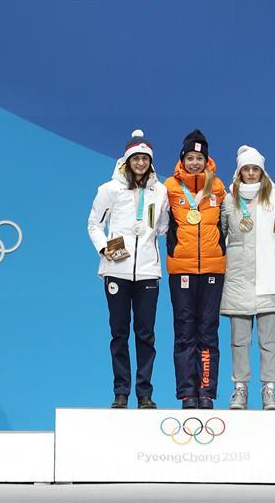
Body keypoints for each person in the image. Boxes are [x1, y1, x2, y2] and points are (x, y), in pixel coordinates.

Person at [87, 129, 169, 409]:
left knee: (146, 335)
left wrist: (150, 234)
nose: (141, 163)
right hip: (116, 271)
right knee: (119, 333)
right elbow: (93, 224)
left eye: (145, 159)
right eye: (136, 158)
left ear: (150, 162)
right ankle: (121, 392)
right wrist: (103, 247)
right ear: (126, 160)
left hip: (148, 272)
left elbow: (162, 226)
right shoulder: (108, 190)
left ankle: (144, 393)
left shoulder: (160, 191)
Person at [220, 145, 275, 411]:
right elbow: (219, 235)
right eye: (247, 169)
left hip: (268, 277)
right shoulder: (229, 199)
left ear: (262, 172)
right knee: (239, 340)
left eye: (255, 169)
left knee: (268, 341)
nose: (251, 173)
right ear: (239, 171)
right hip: (238, 278)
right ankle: (239, 389)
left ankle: (269, 390)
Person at [165, 129, 226, 409]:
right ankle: (188, 392)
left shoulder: (218, 188)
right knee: (185, 331)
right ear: (182, 158)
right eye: (190, 158)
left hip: (213, 269)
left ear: (206, 160)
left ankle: (206, 390)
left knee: (208, 330)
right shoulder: (170, 188)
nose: (194, 163)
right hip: (182, 270)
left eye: (199, 158)